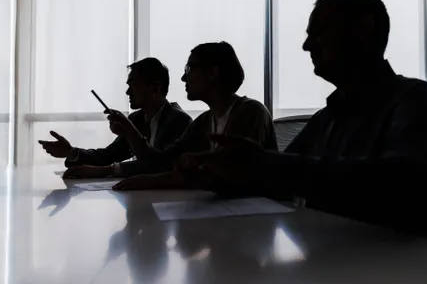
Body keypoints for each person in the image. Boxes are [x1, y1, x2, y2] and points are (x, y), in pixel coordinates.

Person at [186, 0, 427, 240]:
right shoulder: (327, 117)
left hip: (400, 269)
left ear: (363, 28)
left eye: (318, 32)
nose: (306, 45)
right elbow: (277, 177)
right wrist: (224, 177)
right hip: (335, 260)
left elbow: (409, 183)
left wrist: (264, 166)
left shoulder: (416, 99)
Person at [64, 41, 277, 185]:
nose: (184, 79)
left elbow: (231, 177)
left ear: (212, 73)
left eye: (189, 69)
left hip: (253, 220)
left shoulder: (251, 112)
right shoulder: (204, 121)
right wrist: (130, 132)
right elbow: (160, 162)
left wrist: (153, 180)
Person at [39, 57, 192, 171]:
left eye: (133, 85)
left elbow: (158, 166)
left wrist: (107, 171)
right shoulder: (137, 119)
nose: (128, 92)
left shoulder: (179, 121)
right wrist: (71, 152)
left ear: (155, 88)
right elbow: (108, 155)